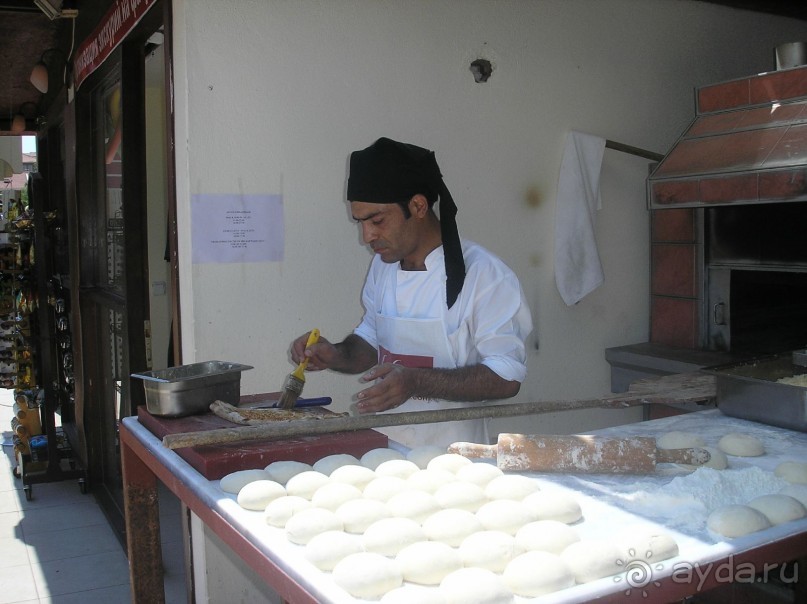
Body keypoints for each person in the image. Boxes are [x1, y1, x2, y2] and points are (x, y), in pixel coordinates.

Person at [290, 137, 532, 448]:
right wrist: (337, 354)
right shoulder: (384, 266)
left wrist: (415, 381)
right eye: (360, 222)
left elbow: (507, 376)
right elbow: (372, 338)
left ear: (417, 206)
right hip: (383, 449)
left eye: (377, 220)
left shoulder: (485, 275)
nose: (367, 236)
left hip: (454, 457)